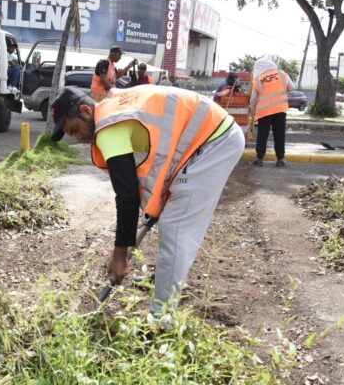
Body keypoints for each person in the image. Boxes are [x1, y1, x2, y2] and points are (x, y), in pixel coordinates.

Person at [50, 85, 244, 313]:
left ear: (85, 110)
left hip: (215, 141)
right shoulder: (114, 108)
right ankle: (166, 286)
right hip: (203, 140)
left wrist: (119, 256)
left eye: (75, 130)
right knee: (173, 219)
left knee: (176, 228)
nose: (79, 138)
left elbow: (127, 195)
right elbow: (152, 163)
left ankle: (160, 319)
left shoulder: (108, 127)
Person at [250, 57, 295, 167]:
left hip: (264, 111)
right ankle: (280, 159)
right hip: (280, 109)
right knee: (279, 135)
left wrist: (253, 109)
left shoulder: (258, 79)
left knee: (262, 135)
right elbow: (292, 87)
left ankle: (259, 159)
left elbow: (253, 99)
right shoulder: (282, 74)